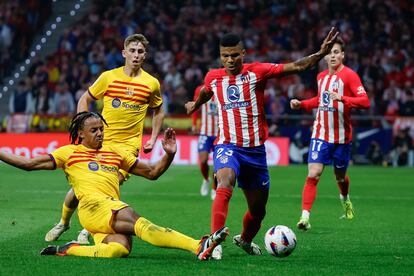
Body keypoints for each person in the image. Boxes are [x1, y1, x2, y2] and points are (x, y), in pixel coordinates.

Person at [185, 28, 339, 259]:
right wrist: (195, 105)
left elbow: (296, 66)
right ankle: (213, 241)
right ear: (220, 56)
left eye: (234, 55)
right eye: (225, 56)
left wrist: (320, 54)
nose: (230, 60)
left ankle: (245, 240)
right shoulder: (213, 77)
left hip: (255, 153)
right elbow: (207, 92)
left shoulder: (257, 72)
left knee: (258, 212)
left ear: (243, 54)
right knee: (225, 180)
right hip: (227, 145)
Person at [0, 112, 228, 260]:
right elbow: (28, 163)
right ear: (80, 134)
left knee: (118, 250)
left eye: (101, 128)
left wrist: (169, 155)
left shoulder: (114, 153)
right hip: (93, 207)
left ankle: (69, 249)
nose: (100, 133)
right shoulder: (69, 153)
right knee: (140, 223)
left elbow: (152, 173)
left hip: (105, 212)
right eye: (94, 130)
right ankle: (198, 245)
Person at [45, 33, 165, 244]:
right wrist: (82, 123)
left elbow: (158, 110)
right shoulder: (108, 77)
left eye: (140, 52)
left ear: (145, 55)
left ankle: (89, 228)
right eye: (132, 51)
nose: (136, 55)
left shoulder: (151, 83)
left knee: (111, 182)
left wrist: (154, 138)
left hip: (128, 146)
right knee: (80, 188)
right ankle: (64, 222)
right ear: (124, 53)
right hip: (102, 141)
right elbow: (86, 98)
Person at [290, 37, 371, 231]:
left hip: (342, 138)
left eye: (336, 52)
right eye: (329, 53)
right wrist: (302, 104)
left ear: (343, 55)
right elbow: (320, 100)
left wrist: (342, 98)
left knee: (340, 177)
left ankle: (345, 200)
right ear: (325, 56)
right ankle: (304, 218)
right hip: (321, 134)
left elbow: (365, 101)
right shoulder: (321, 77)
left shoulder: (350, 76)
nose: (333, 56)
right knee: (314, 173)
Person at [191, 84, 218, 199]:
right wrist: (194, 124)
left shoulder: (224, 86)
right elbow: (195, 107)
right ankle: (206, 180)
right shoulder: (200, 89)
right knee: (203, 160)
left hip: (220, 134)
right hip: (205, 132)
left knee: (218, 165)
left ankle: (214, 188)